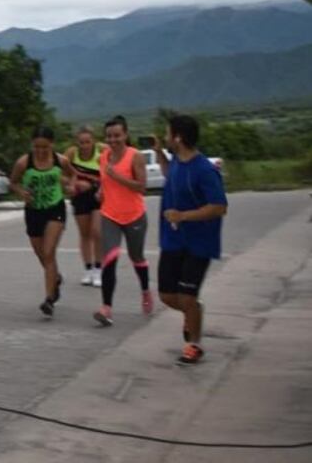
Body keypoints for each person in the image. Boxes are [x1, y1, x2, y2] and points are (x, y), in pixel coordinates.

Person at [156, 115, 228, 364]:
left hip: (199, 243)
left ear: (178, 138)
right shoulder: (177, 161)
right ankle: (193, 310)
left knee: (186, 297)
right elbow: (170, 175)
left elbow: (219, 207)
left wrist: (183, 216)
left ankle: (194, 344)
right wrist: (159, 154)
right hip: (173, 240)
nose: (165, 137)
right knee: (166, 295)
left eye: (168, 133)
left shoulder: (205, 170)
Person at [10, 126, 75, 317]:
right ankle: (55, 278)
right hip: (33, 212)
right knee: (42, 256)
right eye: (36, 147)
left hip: (55, 209)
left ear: (52, 144)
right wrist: (22, 192)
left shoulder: (60, 160)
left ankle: (49, 299)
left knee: (48, 252)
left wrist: (70, 186)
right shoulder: (24, 162)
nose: (40, 151)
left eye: (44, 147)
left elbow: (73, 174)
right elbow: (13, 182)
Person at [93, 116, 152, 327]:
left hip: (134, 215)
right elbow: (104, 180)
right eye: (109, 136)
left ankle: (145, 291)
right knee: (110, 258)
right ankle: (106, 308)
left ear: (125, 135)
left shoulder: (135, 156)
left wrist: (116, 176)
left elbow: (142, 187)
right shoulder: (103, 157)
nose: (113, 140)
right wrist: (101, 191)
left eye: (117, 135)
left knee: (137, 257)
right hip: (110, 215)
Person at [65, 126, 104, 287]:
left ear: (93, 141)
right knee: (84, 233)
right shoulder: (71, 154)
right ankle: (88, 269)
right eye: (82, 142)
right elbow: (59, 174)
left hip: (98, 195)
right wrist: (72, 184)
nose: (85, 145)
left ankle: (98, 269)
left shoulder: (102, 151)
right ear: (77, 142)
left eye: (88, 142)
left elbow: (110, 173)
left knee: (97, 232)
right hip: (80, 197)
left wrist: (94, 185)